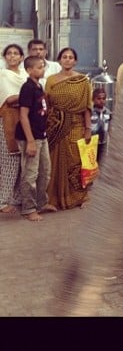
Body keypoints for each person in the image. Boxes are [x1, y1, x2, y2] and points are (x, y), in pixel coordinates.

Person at [45, 47, 92, 210]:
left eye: (71, 57)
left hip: (76, 125)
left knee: (76, 162)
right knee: (54, 162)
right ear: (59, 60)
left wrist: (88, 128)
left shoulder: (82, 81)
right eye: (64, 57)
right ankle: (53, 199)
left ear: (75, 61)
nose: (67, 60)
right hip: (56, 127)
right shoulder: (51, 80)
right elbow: (47, 104)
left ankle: (80, 197)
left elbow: (87, 106)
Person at [14, 55, 56, 221]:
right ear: (29, 70)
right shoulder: (27, 88)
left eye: (43, 67)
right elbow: (23, 116)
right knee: (30, 174)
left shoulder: (38, 87)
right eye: (39, 67)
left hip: (41, 135)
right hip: (30, 137)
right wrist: (30, 141)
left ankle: (41, 203)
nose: (42, 69)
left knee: (45, 171)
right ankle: (28, 208)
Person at [0, 44, 27, 214]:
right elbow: (9, 99)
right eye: (8, 54)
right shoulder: (2, 75)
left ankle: (16, 198)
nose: (12, 56)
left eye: (16, 53)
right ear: (4, 57)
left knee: (21, 160)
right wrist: (29, 97)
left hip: (25, 120)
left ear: (22, 57)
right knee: (8, 161)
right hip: (7, 119)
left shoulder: (25, 75)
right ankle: (2, 200)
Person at [90, 87, 111, 166]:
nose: (101, 101)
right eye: (98, 98)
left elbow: (109, 129)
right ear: (93, 99)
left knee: (102, 165)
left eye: (103, 98)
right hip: (92, 144)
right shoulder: (90, 113)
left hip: (103, 143)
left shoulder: (108, 113)